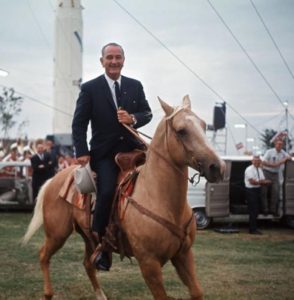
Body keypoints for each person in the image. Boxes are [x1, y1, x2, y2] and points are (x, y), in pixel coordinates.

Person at [72, 42, 152, 271]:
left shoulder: (135, 86)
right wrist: (82, 152)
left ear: (124, 60)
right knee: (107, 192)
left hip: (135, 150)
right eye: (110, 58)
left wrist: (133, 119)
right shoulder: (90, 88)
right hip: (105, 154)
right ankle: (103, 247)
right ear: (102, 61)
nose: (114, 61)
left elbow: (147, 113)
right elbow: (79, 124)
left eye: (118, 57)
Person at [262, 139, 291, 216]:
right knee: (264, 192)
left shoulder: (283, 152)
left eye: (281, 145)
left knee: (276, 192)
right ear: (275, 144)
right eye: (278, 144)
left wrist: (285, 159)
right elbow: (263, 162)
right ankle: (265, 210)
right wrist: (276, 164)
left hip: (275, 174)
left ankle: (273, 210)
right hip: (266, 172)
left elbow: (289, 158)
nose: (279, 146)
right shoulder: (269, 152)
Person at [244, 155, 271, 234]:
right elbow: (252, 182)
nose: (257, 162)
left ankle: (254, 227)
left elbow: (262, 179)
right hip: (251, 191)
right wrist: (265, 182)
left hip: (257, 190)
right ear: (252, 161)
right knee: (253, 210)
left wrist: (263, 181)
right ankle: (252, 229)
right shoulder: (249, 169)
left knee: (256, 210)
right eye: (255, 161)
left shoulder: (259, 169)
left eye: (258, 161)